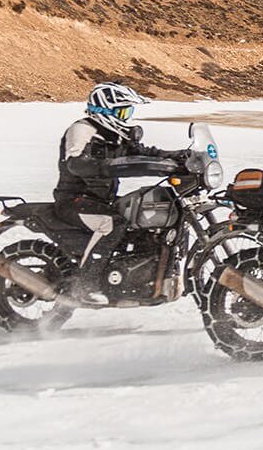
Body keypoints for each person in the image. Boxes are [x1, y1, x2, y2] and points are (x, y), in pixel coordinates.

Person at [53, 82, 186, 300]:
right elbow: (76, 163)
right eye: (122, 112)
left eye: (128, 112)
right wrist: (109, 166)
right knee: (113, 223)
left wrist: (177, 156)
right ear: (105, 110)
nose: (126, 118)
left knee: (142, 220)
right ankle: (86, 284)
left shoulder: (116, 135)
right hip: (74, 201)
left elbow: (144, 152)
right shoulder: (82, 129)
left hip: (102, 200)